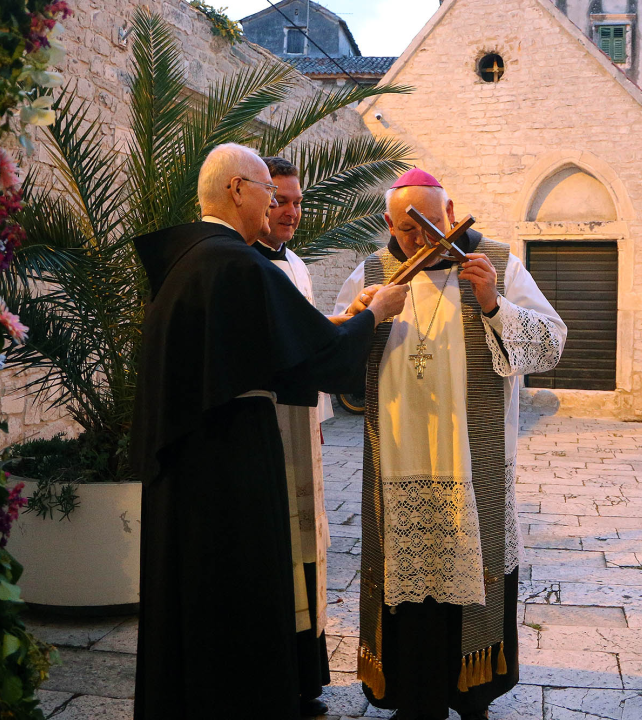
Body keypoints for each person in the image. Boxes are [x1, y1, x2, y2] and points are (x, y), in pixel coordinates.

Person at [131, 143, 409, 720]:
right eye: (266, 189)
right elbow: (318, 360)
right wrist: (375, 314)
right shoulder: (236, 262)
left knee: (193, 599)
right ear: (237, 190)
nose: (274, 203)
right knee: (238, 595)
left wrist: (338, 321)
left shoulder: (193, 259)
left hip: (191, 462)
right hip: (231, 460)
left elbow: (267, 342)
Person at [333, 168, 566, 720]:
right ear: (390, 223)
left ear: (452, 211)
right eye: (409, 229)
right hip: (399, 460)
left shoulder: (498, 264)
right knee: (405, 582)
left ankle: (472, 693)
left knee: (472, 574)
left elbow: (551, 345)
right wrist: (361, 317)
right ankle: (410, 694)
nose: (423, 239)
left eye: (434, 224)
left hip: (472, 463)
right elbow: (332, 353)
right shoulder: (372, 272)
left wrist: (492, 303)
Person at [252, 155, 337, 717]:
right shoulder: (246, 264)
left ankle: (308, 676)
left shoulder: (298, 264)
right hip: (269, 425)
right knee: (277, 551)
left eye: (298, 201)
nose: (290, 212)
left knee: (311, 547)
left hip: (302, 422)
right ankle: (279, 676)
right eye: (280, 200)